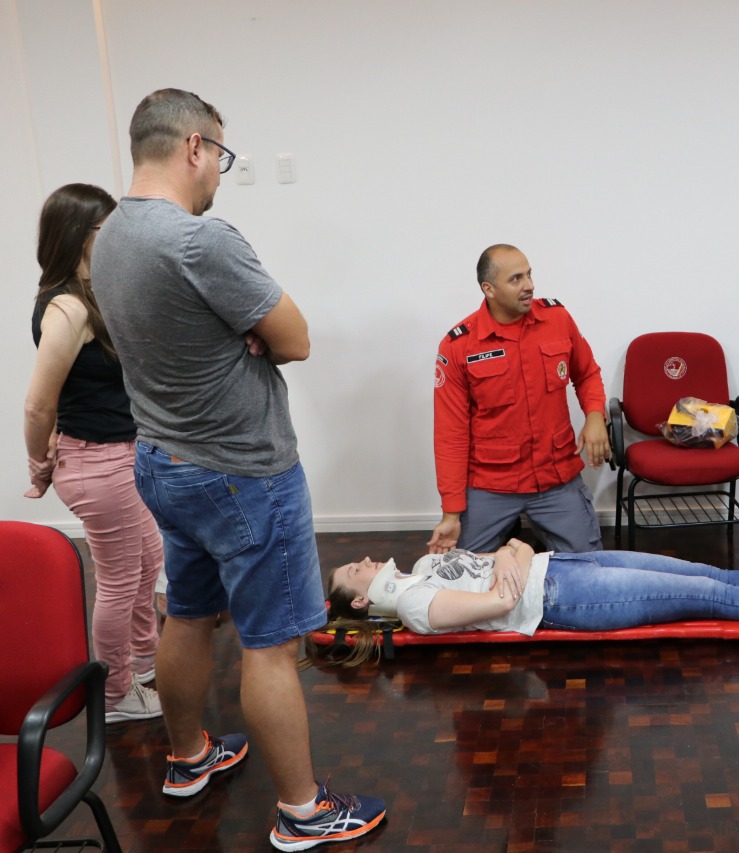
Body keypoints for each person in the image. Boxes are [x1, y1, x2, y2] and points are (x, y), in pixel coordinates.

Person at [91, 88, 385, 851]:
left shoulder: (112, 234)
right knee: (269, 644)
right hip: (242, 472)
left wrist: (228, 337)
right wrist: (247, 336)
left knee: (187, 611)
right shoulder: (201, 241)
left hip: (162, 461)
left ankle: (187, 756)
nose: (219, 171)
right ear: (193, 146)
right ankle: (303, 812)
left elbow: (146, 341)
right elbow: (296, 338)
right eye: (219, 154)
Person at [22, 183, 164, 723]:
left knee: (149, 562)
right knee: (119, 581)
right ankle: (115, 695)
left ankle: (144, 666)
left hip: (119, 457)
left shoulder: (94, 293)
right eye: (106, 229)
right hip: (95, 464)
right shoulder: (65, 307)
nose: (115, 238)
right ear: (81, 236)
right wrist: (39, 467)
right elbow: (39, 406)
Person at [320, 541, 739, 665]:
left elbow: (512, 547)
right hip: (568, 599)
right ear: (366, 598)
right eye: (356, 570)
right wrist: (510, 562)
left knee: (705, 571)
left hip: (563, 564)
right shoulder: (416, 607)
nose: (365, 560)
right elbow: (496, 604)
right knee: (707, 596)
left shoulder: (422, 569)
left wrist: (512, 557)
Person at [429, 244, 609, 555]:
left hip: (556, 479)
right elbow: (450, 435)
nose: (529, 285)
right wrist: (451, 511)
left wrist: (595, 416)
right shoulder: (459, 345)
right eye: (516, 279)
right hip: (490, 484)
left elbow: (587, 373)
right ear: (489, 289)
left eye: (529, 274)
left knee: (590, 569)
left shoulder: (557, 319)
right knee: (461, 576)